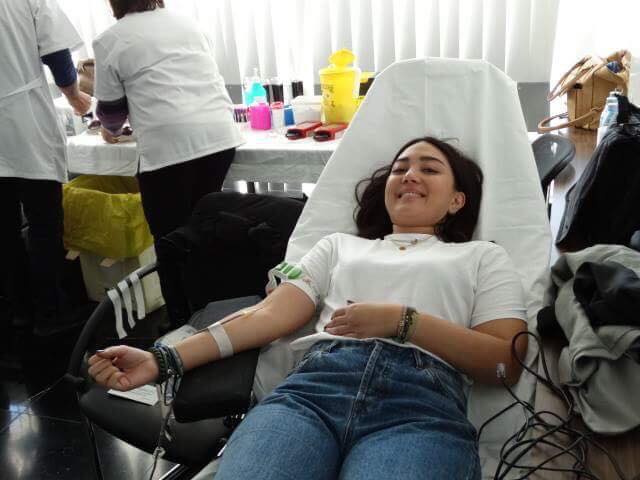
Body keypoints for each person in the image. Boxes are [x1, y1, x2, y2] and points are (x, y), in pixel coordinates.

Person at [89, 137, 528, 479]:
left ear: (457, 200)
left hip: (419, 408)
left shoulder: (482, 257)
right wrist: (162, 359)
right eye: (400, 169)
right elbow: (265, 316)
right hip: (312, 394)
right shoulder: (338, 247)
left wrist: (404, 323)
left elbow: (503, 363)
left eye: (429, 169)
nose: (410, 175)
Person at [93, 0, 244, 327]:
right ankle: (216, 313)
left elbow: (111, 111)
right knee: (204, 228)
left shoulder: (110, 39)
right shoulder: (187, 23)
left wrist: (110, 130)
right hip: (218, 135)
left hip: (168, 146)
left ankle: (180, 322)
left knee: (169, 238)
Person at [0, 0, 92, 336]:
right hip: (25, 122)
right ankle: (51, 312)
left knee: (4, 230)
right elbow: (56, 53)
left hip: (16, 121)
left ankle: (19, 310)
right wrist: (74, 95)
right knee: (44, 223)